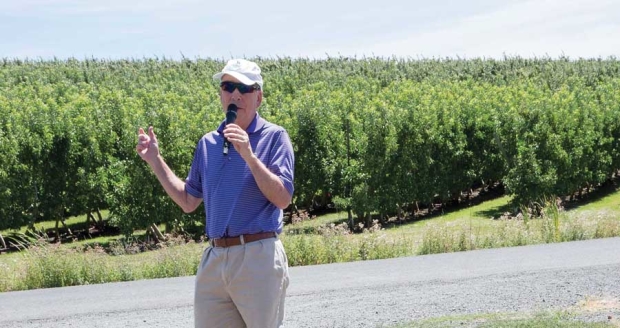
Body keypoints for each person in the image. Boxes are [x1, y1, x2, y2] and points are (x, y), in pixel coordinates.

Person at [136, 58, 294, 328]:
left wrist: (249, 155)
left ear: (259, 97)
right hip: (215, 258)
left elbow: (283, 199)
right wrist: (155, 160)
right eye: (227, 86)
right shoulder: (208, 143)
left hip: (258, 256)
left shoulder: (275, 137)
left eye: (243, 88)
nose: (235, 94)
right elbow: (188, 201)